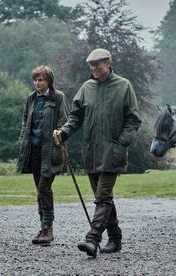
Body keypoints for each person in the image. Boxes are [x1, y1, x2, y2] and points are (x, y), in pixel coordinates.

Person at [53, 49, 141, 257]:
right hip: (91, 152)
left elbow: (133, 120)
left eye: (97, 66)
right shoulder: (87, 87)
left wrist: (121, 144)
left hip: (113, 152)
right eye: (91, 67)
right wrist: (63, 133)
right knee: (103, 197)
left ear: (108, 63)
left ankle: (93, 238)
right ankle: (115, 238)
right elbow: (75, 117)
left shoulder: (123, 86)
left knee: (102, 196)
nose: (94, 70)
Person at [17, 65, 69, 244]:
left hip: (51, 151)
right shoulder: (31, 98)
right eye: (35, 79)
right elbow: (25, 120)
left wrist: (60, 134)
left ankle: (48, 229)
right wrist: (23, 137)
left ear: (49, 81)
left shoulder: (58, 97)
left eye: (41, 80)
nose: (37, 83)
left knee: (44, 189)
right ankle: (43, 228)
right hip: (34, 151)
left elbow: (65, 121)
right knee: (40, 190)